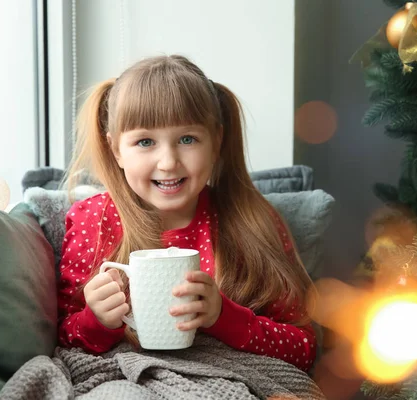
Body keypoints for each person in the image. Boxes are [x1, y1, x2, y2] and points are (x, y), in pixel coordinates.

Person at [57, 54, 317, 372]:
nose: (168, 162)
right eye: (145, 142)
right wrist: (96, 320)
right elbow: (66, 338)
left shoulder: (249, 221)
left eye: (187, 139)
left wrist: (224, 316)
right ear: (115, 150)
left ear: (216, 141)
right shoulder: (93, 221)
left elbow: (304, 346)